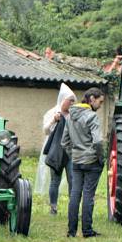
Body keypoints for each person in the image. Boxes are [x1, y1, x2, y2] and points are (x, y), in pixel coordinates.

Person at [61, 87, 106, 238]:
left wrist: (74, 155)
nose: (100, 105)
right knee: (88, 196)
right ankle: (87, 231)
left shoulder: (69, 116)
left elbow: (64, 142)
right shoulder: (92, 117)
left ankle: (71, 231)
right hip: (91, 161)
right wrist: (100, 158)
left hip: (76, 161)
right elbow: (98, 141)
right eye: (100, 102)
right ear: (92, 99)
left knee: (74, 195)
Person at [38, 83, 76, 215]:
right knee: (55, 180)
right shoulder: (53, 113)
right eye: (70, 100)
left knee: (73, 179)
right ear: (63, 99)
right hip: (56, 151)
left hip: (71, 152)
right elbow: (46, 131)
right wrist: (54, 120)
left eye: (73, 101)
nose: (72, 103)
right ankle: (53, 208)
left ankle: (73, 208)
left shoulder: (74, 115)